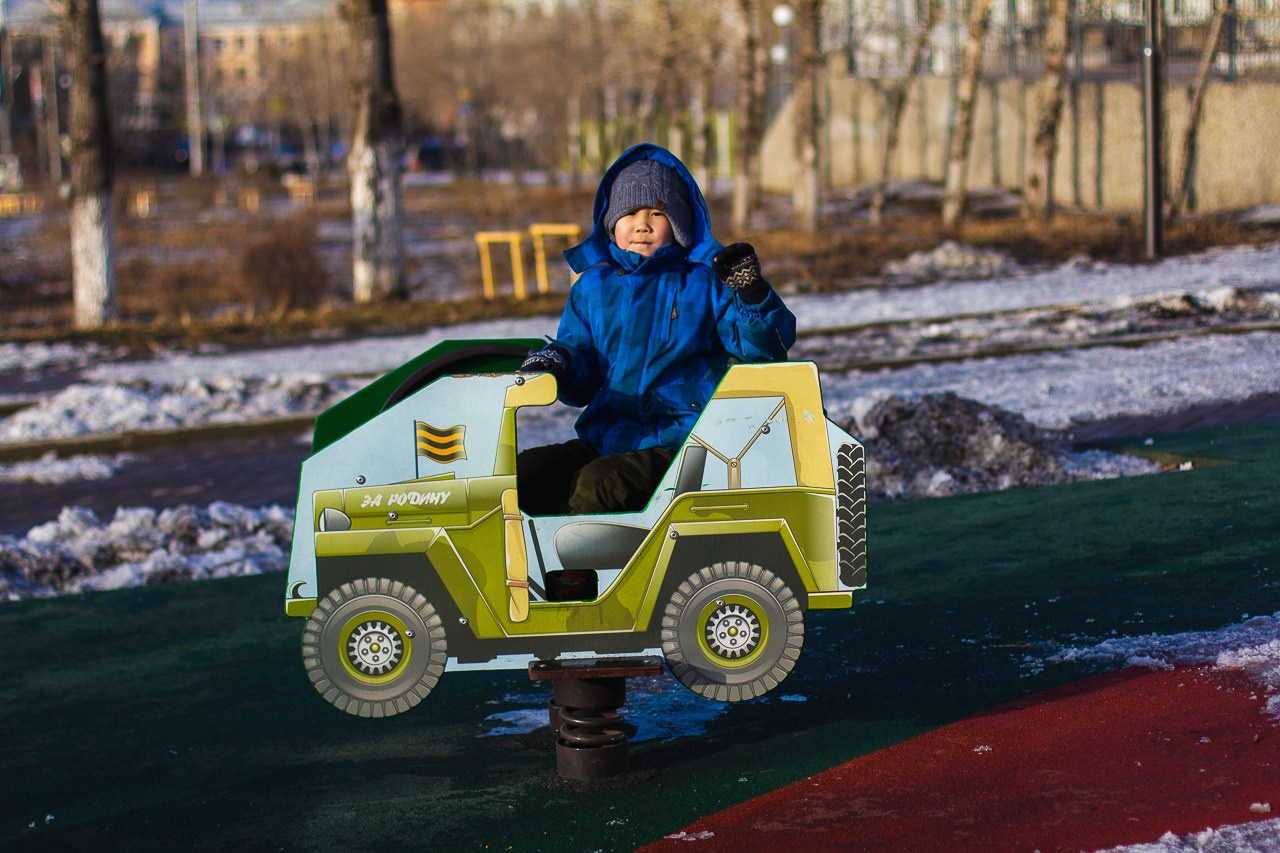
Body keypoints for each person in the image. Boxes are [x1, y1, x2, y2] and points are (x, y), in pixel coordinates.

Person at [517, 143, 796, 515]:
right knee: (524, 474)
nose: (642, 223)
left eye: (657, 213)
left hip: (684, 443)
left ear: (679, 223)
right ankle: (525, 568)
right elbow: (581, 374)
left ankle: (590, 573)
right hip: (609, 437)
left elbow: (765, 350)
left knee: (599, 485)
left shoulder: (704, 283)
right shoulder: (592, 288)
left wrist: (751, 293)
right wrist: (561, 361)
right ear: (610, 221)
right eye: (629, 212)